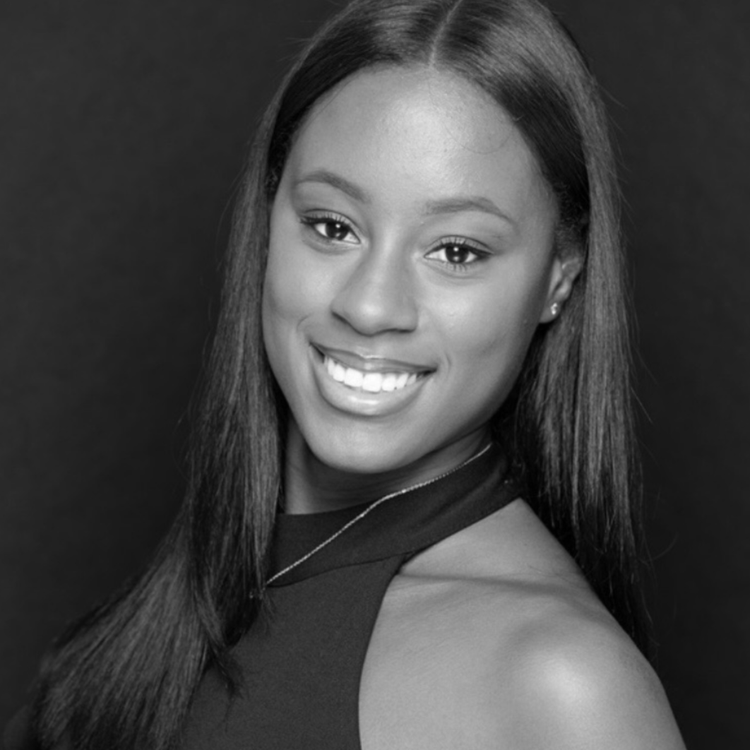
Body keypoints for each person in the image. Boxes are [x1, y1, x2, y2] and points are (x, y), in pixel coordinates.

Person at [5, 0, 686, 748]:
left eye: (457, 251)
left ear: (560, 275)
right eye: (333, 227)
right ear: (269, 216)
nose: (369, 305)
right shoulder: (173, 606)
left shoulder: (562, 683)